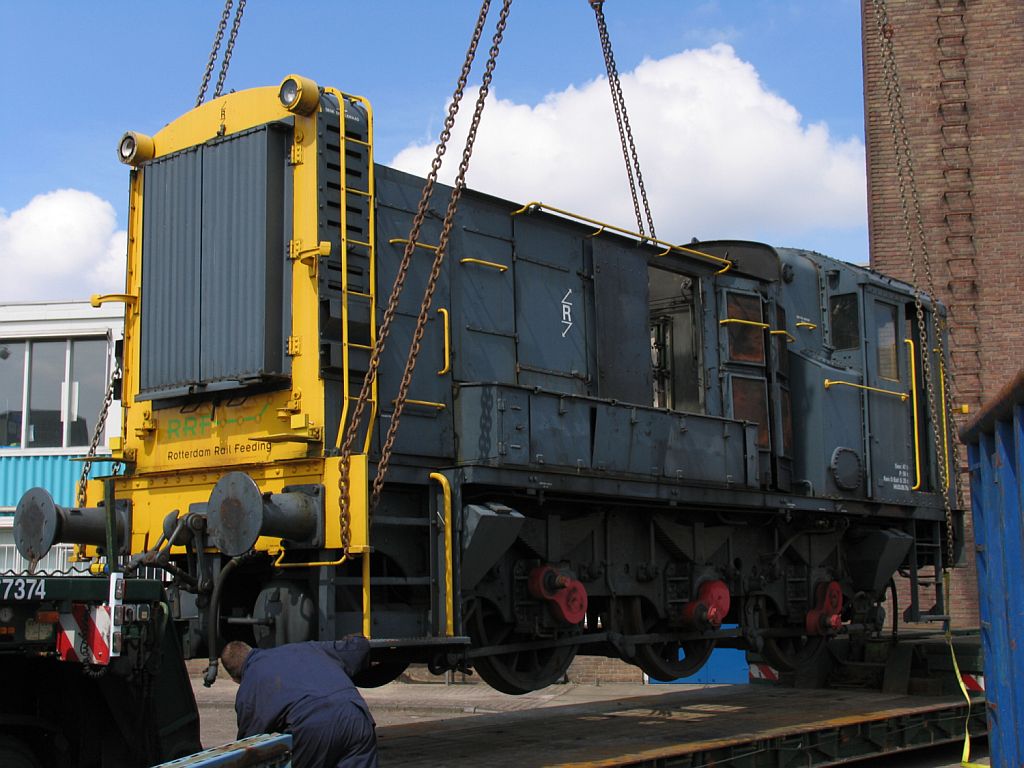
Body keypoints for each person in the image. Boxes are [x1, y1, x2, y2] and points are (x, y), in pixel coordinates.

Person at [220, 636, 378, 768]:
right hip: (356, 716)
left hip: (312, 727)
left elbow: (251, 744)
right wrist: (359, 639)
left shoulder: (249, 686)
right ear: (251, 649)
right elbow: (356, 649)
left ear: (235, 679)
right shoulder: (304, 648)